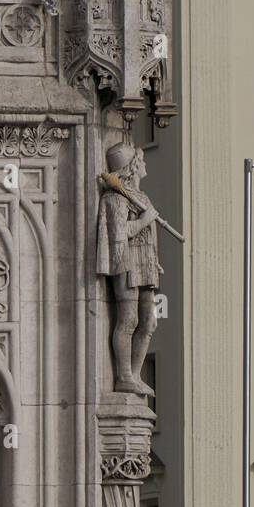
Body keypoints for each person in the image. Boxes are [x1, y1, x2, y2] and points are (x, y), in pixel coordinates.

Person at [95, 142, 161, 396]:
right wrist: (145, 219)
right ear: (132, 167)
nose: (144, 166)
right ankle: (123, 375)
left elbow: (148, 235)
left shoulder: (139, 197)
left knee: (149, 321)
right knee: (129, 319)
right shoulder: (114, 198)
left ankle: (135, 373)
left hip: (145, 264)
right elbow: (119, 234)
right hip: (126, 262)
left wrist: (155, 260)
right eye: (140, 162)